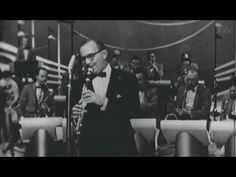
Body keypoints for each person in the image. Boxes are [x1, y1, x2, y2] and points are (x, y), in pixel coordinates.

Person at [71, 39, 140, 156]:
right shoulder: (78, 84)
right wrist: (74, 114)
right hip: (90, 148)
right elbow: (72, 112)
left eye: (91, 56)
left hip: (121, 148)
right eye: (84, 58)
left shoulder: (128, 79)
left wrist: (103, 101)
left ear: (104, 54)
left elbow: (134, 110)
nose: (87, 62)